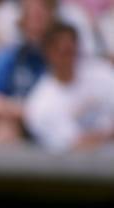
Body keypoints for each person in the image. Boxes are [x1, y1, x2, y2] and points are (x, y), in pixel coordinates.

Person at [0, 0, 56, 145]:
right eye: (32, 14)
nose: (36, 20)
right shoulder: (11, 56)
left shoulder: (62, 57)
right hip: (19, 121)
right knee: (3, 128)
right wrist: (23, 110)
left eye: (41, 13)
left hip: (55, 124)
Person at [24, 22, 114, 151]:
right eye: (64, 52)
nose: (70, 58)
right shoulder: (40, 104)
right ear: (48, 53)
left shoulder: (103, 73)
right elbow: (74, 148)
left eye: (73, 50)